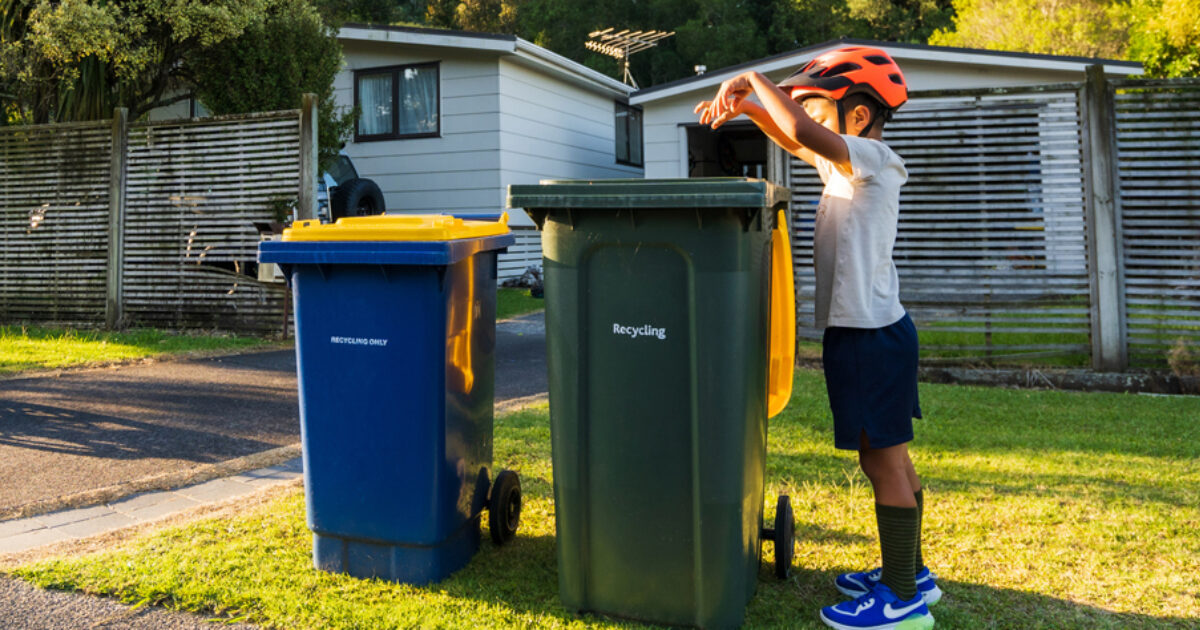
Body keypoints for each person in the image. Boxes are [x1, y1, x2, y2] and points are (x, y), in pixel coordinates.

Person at [695, 47, 939, 630]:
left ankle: (901, 601)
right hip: (880, 332)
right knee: (894, 460)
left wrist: (752, 76)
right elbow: (799, 140)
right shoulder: (853, 164)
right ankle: (912, 574)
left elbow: (803, 130)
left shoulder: (872, 156)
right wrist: (749, 109)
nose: (810, 118)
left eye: (822, 107)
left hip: (868, 337)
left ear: (858, 117)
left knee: (882, 465)